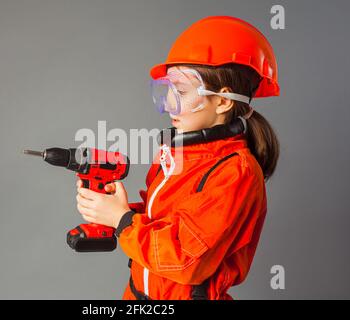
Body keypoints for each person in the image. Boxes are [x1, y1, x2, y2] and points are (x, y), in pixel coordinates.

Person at [75, 16, 280, 300]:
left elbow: (186, 260)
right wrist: (115, 209)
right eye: (168, 90)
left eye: (181, 92)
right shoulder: (175, 154)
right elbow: (164, 221)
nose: (171, 103)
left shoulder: (235, 172)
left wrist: (122, 221)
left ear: (223, 101)